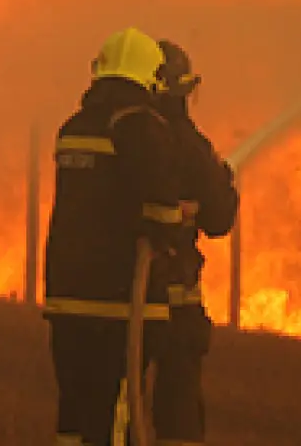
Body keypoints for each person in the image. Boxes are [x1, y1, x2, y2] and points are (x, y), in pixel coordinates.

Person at [43, 27, 184, 446]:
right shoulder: (140, 127)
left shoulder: (74, 127)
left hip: (67, 301)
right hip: (122, 307)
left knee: (75, 414)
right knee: (118, 419)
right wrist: (169, 228)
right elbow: (163, 208)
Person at [151, 39, 239, 446]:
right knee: (179, 414)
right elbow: (219, 219)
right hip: (175, 303)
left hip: (118, 301)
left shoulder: (117, 134)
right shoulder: (188, 144)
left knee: (115, 404)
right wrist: (223, 184)